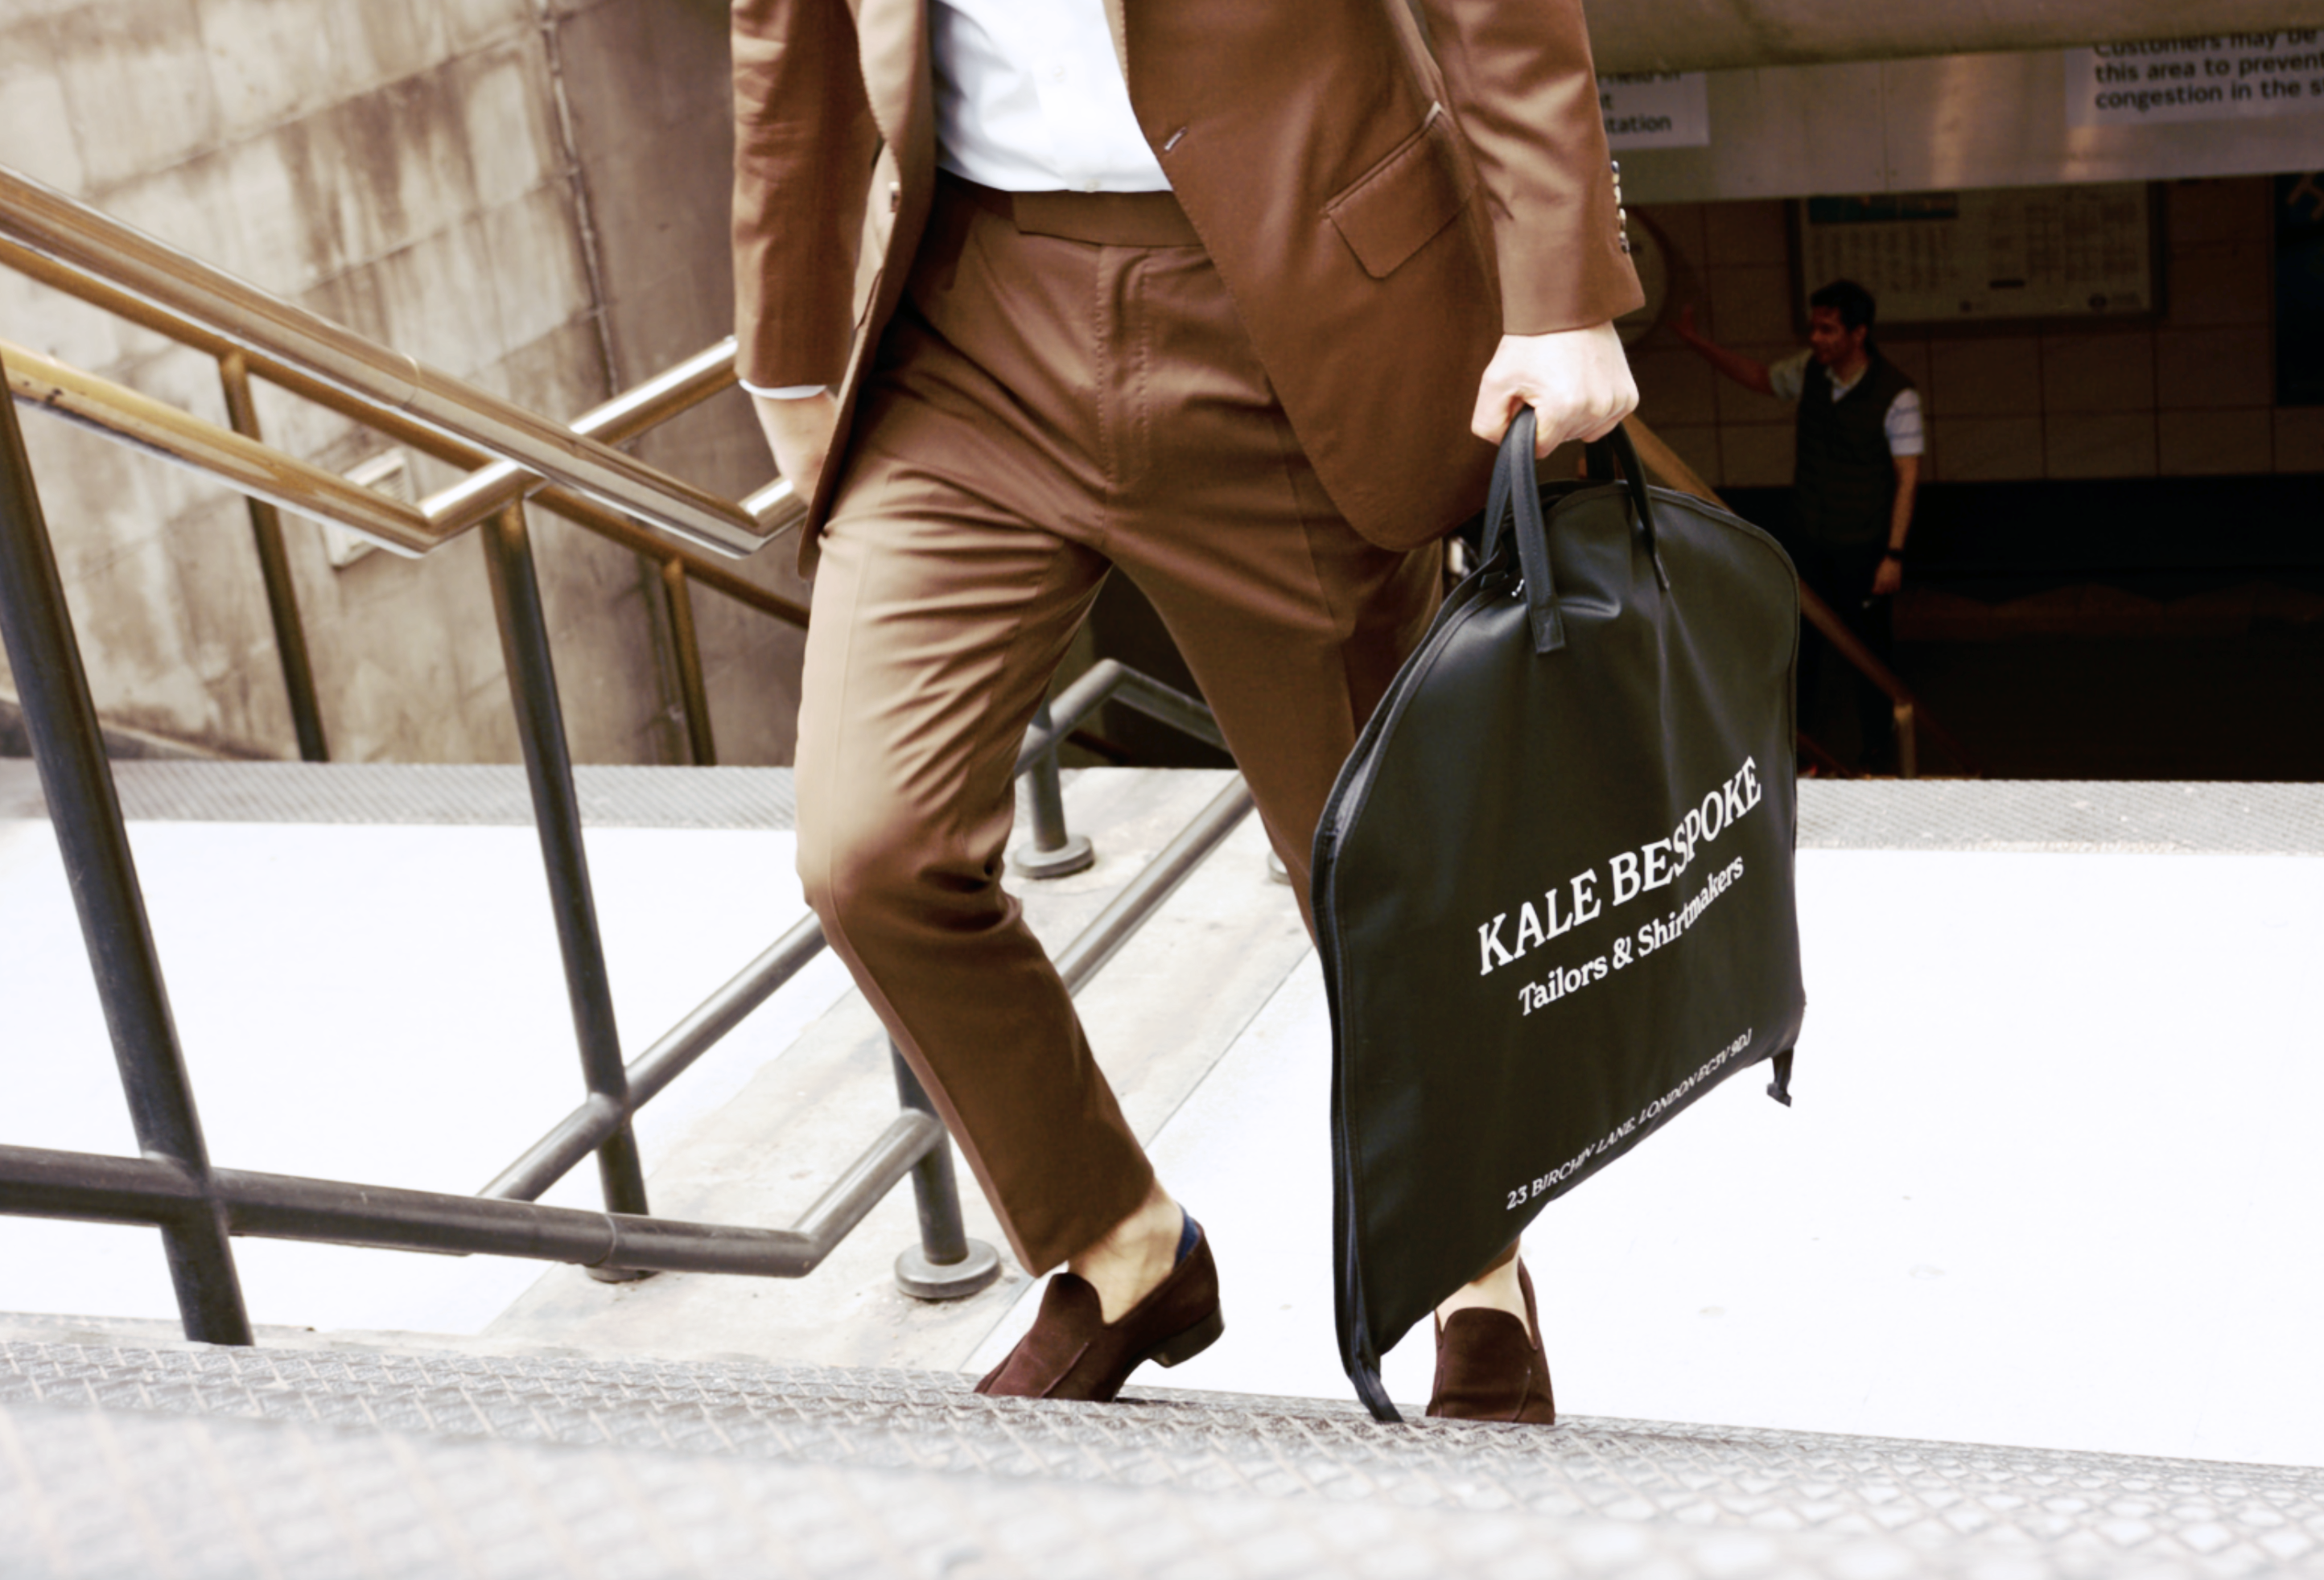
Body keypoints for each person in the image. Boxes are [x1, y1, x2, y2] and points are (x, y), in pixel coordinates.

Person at [729, 0, 1641, 1421]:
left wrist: (1560, 291)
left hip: (1285, 295)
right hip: (967, 311)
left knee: (1373, 868)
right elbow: (785, 37)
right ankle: (1123, 1244)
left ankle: (1477, 1261)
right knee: (871, 848)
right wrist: (786, 336)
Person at [1675, 279, 1922, 769]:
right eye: (1814, 328)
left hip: (1863, 544)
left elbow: (1908, 477)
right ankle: (1804, 753)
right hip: (1809, 536)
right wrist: (1698, 343)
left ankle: (1878, 754)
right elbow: (1762, 378)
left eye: (1828, 330)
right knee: (1802, 647)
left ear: (1858, 334)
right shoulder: (1810, 373)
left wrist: (1893, 555)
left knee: (1869, 657)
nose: (1817, 339)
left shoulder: (1897, 395)